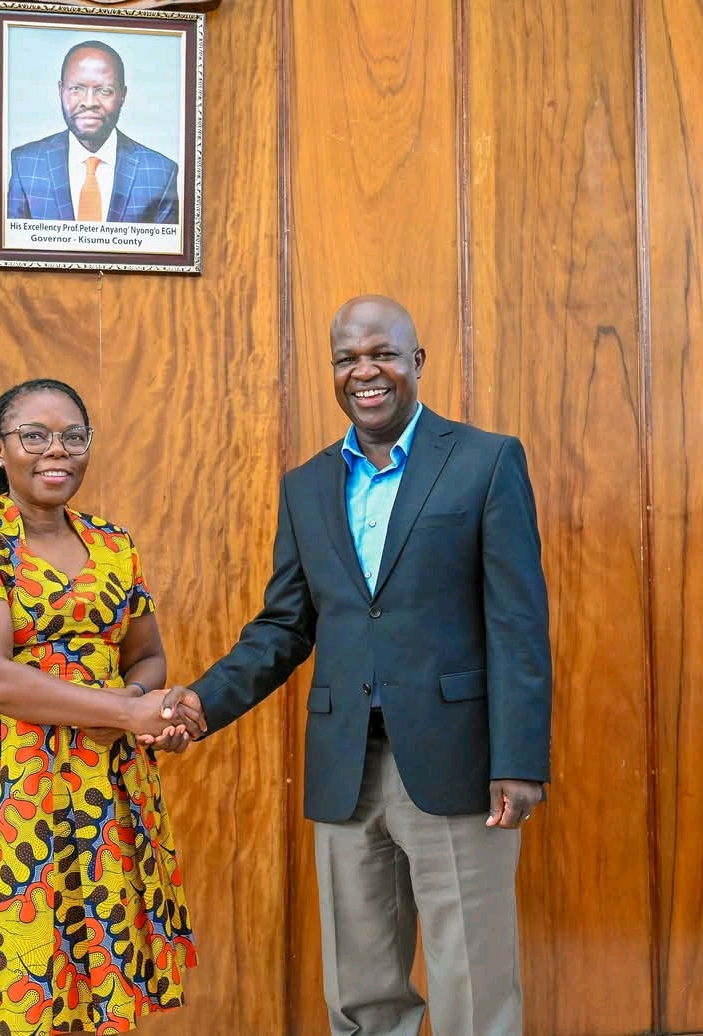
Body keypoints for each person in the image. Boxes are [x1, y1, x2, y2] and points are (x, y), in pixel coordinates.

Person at [154, 295, 553, 1036]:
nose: (364, 372)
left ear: (416, 362)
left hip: (460, 767)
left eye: (383, 354)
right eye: (347, 358)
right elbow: (284, 625)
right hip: (346, 770)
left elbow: (518, 622)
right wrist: (202, 703)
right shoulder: (306, 485)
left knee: (474, 983)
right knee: (361, 992)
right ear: (332, 370)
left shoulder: (487, 461)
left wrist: (521, 758)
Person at [0, 378, 199, 1033]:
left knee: (91, 952)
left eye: (73, 436)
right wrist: (125, 714)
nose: (57, 450)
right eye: (35, 435)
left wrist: (146, 710)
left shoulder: (114, 543)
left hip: (101, 777)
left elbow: (145, 657)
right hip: (3, 776)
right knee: (4, 949)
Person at [6, 40, 179, 224]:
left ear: (123, 95)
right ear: (60, 90)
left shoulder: (161, 173)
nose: (89, 102)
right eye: (76, 89)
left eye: (104, 91)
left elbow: (162, 251)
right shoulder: (25, 163)